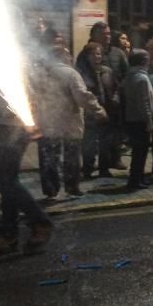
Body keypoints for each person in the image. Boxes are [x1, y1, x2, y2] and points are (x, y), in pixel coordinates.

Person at [0, 86, 53, 257]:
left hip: (13, 125)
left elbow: (31, 83)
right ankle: (7, 235)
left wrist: (32, 121)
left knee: (6, 180)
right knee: (5, 180)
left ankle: (39, 222)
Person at [35, 48, 106, 200]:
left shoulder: (42, 74)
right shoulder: (71, 74)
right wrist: (98, 109)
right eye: (68, 54)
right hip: (69, 123)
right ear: (63, 56)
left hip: (47, 123)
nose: (71, 57)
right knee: (71, 156)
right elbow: (81, 96)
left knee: (49, 158)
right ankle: (72, 187)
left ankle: (50, 190)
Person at [77, 42, 118, 179]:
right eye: (93, 54)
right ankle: (88, 169)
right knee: (89, 143)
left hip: (107, 110)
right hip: (91, 113)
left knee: (105, 142)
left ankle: (104, 169)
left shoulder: (107, 71)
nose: (97, 57)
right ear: (87, 56)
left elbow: (115, 87)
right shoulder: (82, 73)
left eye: (99, 54)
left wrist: (115, 99)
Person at [123, 49, 153, 190]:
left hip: (131, 118)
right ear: (143, 61)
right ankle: (136, 180)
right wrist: (148, 120)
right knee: (140, 153)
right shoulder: (141, 78)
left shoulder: (130, 76)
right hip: (140, 120)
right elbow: (143, 102)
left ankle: (138, 178)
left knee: (138, 152)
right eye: (147, 59)